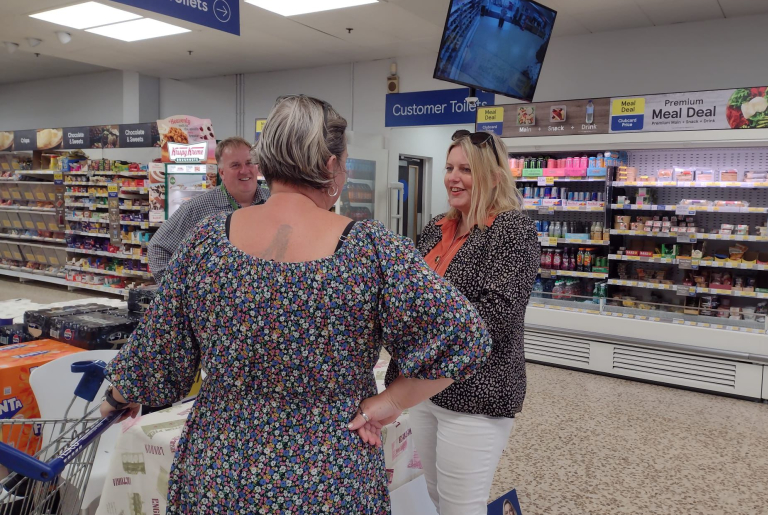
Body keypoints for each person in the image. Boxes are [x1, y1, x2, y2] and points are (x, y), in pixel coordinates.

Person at [100, 96, 492, 514]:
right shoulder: (372, 249)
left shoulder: (205, 241)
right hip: (330, 472)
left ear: (267, 161)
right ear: (329, 165)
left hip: (220, 469)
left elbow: (155, 359)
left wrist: (117, 396)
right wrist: (391, 403)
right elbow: (464, 337)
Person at [385, 130, 540, 515]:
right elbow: (408, 297)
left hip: (476, 395)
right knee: (436, 497)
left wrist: (423, 340)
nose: (452, 177)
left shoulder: (511, 230)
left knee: (461, 507)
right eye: (450, 167)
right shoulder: (436, 227)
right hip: (424, 389)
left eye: (466, 170)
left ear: (494, 177)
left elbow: (495, 316)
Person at [147, 136, 269, 282]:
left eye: (249, 163)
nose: (244, 170)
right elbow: (158, 247)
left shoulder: (273, 201)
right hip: (219, 302)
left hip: (266, 297)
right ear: (222, 173)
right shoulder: (198, 207)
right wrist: (175, 289)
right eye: (235, 165)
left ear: (257, 167)